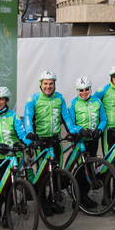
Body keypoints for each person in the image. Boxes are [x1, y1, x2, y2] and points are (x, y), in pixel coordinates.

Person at [24, 71, 76, 217]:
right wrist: (30, 132)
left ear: (54, 84)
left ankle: (52, 200)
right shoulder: (33, 99)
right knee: (43, 173)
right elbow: (27, 117)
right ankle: (43, 203)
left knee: (55, 172)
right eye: (45, 84)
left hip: (55, 140)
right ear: (41, 84)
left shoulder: (59, 98)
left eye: (51, 84)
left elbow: (65, 116)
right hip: (41, 141)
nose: (48, 86)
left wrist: (72, 131)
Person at [0, 86, 29, 227]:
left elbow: (21, 133)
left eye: (1, 99)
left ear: (6, 101)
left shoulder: (13, 116)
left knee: (10, 185)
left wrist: (28, 142)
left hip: (14, 156)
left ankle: (7, 214)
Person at [69, 77, 107, 209]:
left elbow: (103, 119)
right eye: (81, 90)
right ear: (77, 91)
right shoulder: (73, 104)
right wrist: (80, 130)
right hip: (81, 140)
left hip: (93, 139)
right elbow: (70, 124)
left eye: (86, 89)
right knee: (81, 168)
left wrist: (99, 129)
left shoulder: (97, 102)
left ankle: (84, 194)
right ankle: (79, 197)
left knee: (89, 166)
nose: (84, 92)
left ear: (90, 89)